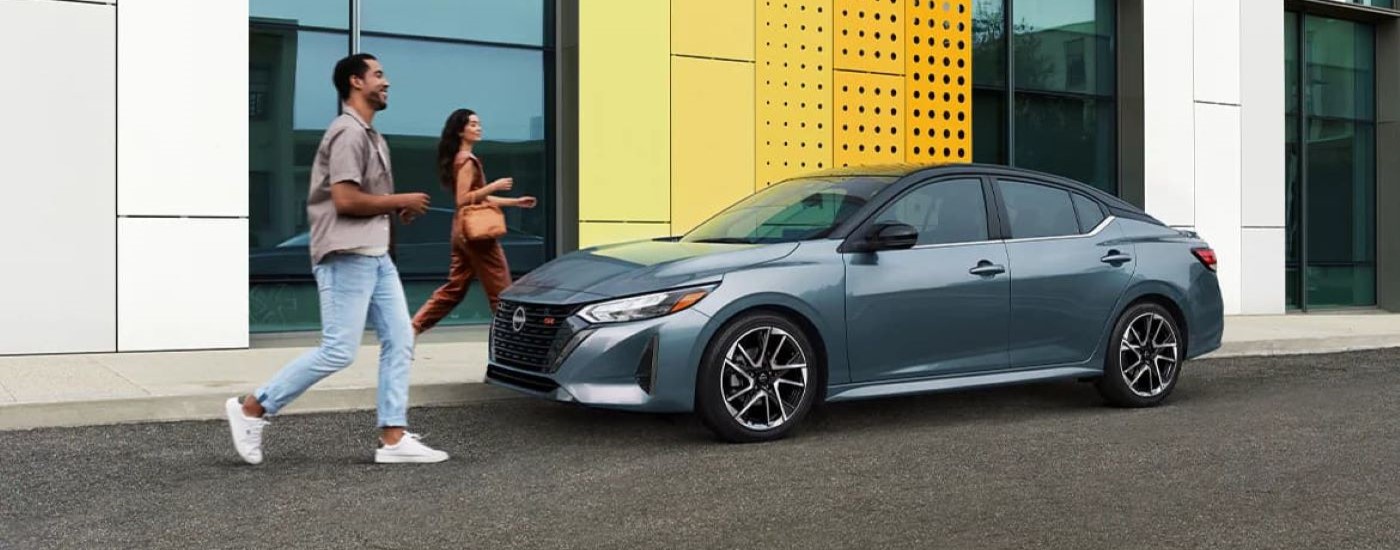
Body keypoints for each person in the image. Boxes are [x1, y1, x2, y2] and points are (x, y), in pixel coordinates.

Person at [224, 53, 450, 465]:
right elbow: (346, 200)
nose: (387, 82)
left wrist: (392, 208)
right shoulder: (347, 132)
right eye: (379, 75)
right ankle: (252, 408)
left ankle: (394, 438)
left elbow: (363, 199)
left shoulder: (372, 137)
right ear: (355, 82)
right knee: (338, 350)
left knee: (400, 338)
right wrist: (399, 199)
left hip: (377, 257)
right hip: (347, 257)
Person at [411, 109, 535, 334]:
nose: (479, 128)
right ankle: (510, 340)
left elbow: (480, 197)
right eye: (473, 124)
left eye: (479, 124)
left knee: (454, 289)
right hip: (477, 233)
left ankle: (411, 330)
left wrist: (515, 202)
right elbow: (463, 199)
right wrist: (494, 185)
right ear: (461, 131)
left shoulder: (460, 158)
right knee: (501, 291)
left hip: (462, 230)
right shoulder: (467, 160)